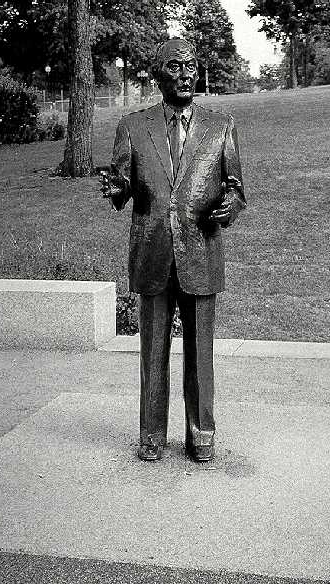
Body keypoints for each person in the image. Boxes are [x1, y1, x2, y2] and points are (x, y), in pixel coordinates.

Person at [101, 38, 246, 462]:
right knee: (152, 353)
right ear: (157, 75)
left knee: (201, 355)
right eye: (175, 68)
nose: (184, 74)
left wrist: (231, 206)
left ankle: (202, 435)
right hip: (153, 251)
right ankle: (151, 435)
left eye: (190, 67)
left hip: (200, 250)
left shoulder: (221, 125)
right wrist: (116, 187)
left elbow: (237, 187)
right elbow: (122, 185)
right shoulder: (132, 126)